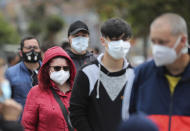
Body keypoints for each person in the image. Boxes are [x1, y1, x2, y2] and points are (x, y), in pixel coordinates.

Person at [123, 13, 190, 130]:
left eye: (163, 42)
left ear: (183, 40)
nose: (157, 48)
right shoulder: (139, 75)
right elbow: (128, 119)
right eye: (153, 42)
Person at [69, 18, 134, 131]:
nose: (121, 44)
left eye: (124, 39)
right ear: (103, 41)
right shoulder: (87, 73)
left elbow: (139, 112)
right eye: (115, 39)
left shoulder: (134, 75)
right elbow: (76, 112)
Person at [22, 46, 76, 131]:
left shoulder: (77, 91)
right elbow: (28, 126)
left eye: (65, 68)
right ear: (47, 69)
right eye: (57, 68)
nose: (62, 71)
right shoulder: (36, 92)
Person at [5, 36, 42, 115]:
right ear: (21, 53)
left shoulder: (49, 71)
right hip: (22, 123)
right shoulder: (10, 73)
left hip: (45, 122)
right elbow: (6, 100)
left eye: (35, 47)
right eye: (28, 48)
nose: (32, 50)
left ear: (40, 50)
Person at [0, 57, 23, 131]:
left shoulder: (6, 81)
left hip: (7, 113)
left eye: (3, 66)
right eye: (1, 66)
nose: (2, 69)